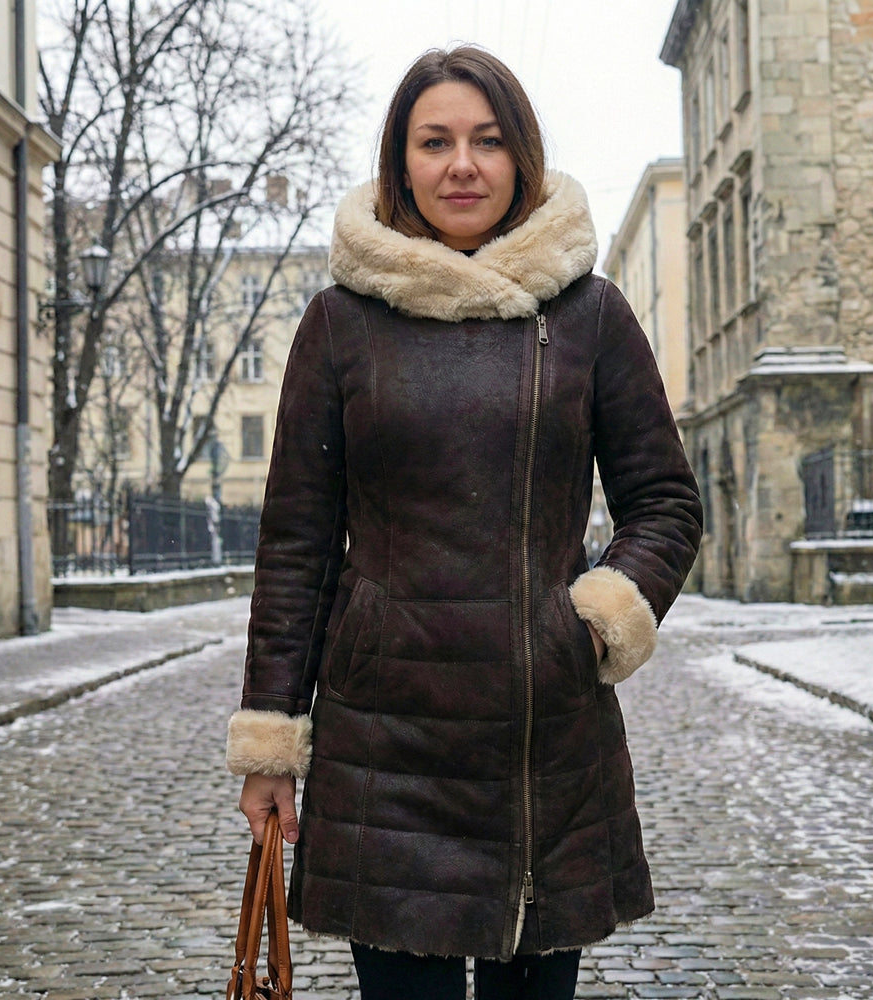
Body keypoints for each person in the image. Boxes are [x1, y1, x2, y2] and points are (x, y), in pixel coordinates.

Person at [226, 45, 702, 1000]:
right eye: (434, 141)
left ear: (520, 157)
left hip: (543, 743)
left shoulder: (589, 316)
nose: (462, 165)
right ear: (400, 161)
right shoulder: (340, 323)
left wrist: (598, 619)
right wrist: (273, 737)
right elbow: (296, 546)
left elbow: (666, 501)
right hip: (383, 746)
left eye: (487, 141)